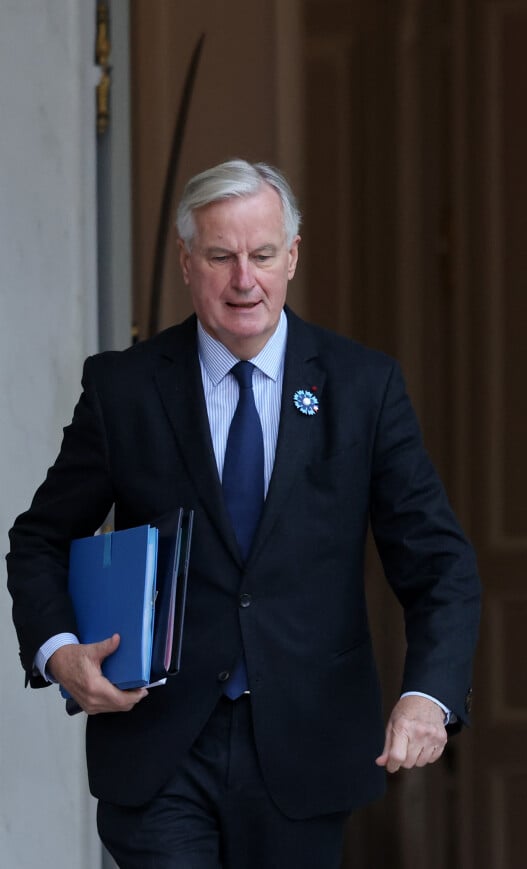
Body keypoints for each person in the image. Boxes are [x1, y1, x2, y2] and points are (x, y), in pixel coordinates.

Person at [6, 159, 480, 869]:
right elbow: (39, 537)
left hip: (307, 741)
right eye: (221, 256)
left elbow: (438, 561)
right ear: (186, 261)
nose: (243, 280)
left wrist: (428, 693)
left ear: (291, 256)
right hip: (161, 744)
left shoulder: (362, 387)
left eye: (261, 255)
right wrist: (58, 651)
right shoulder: (124, 387)